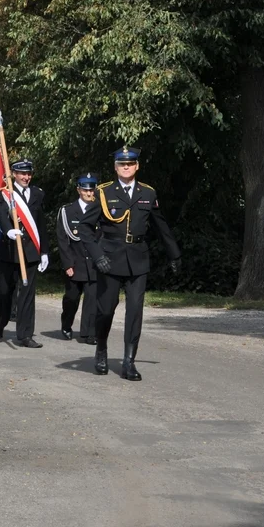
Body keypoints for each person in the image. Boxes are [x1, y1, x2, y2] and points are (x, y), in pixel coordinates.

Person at [78, 146, 181, 381]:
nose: (126, 167)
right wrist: (97, 255)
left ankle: (129, 361)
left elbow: (160, 225)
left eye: (131, 163)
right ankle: (101, 349)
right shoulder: (103, 192)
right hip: (109, 259)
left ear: (137, 166)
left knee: (135, 311)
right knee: (105, 310)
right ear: (115, 167)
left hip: (138, 258)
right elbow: (84, 227)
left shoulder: (148, 193)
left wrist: (174, 254)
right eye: (122, 164)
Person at [0, 160, 50, 349]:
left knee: (27, 294)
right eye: (22, 174)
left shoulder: (38, 194)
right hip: (9, 252)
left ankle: (25, 335)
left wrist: (44, 252)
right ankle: (1, 325)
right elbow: (1, 215)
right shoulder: (4, 194)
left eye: (29, 174)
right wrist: (8, 230)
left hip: (30, 252)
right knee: (5, 293)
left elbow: (41, 225)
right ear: (13, 174)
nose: (26, 177)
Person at [57, 173, 100, 344]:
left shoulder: (100, 209)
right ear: (78, 190)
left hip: (94, 263)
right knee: (72, 298)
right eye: (85, 190)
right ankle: (66, 324)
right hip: (75, 262)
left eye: (91, 190)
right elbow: (62, 240)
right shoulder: (67, 211)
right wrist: (68, 263)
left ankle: (88, 333)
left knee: (92, 298)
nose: (89, 193)